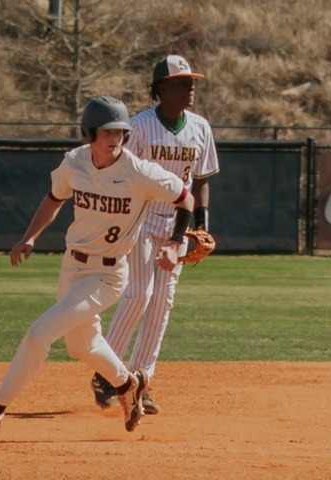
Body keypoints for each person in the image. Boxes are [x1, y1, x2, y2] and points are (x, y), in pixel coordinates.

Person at [0, 95, 194, 436]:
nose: (115, 138)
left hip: (107, 274)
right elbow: (54, 198)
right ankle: (128, 386)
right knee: (81, 345)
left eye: (120, 132)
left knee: (39, 334)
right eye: (107, 131)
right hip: (72, 265)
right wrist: (29, 237)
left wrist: (174, 241)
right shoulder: (75, 162)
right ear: (90, 133)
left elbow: (186, 198)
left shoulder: (140, 172)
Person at [90, 55, 220, 414]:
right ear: (162, 88)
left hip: (178, 222)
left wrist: (201, 224)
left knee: (162, 302)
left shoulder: (200, 127)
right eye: (182, 82)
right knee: (138, 295)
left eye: (191, 82)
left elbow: (201, 180)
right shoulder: (140, 126)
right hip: (141, 219)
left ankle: (141, 379)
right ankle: (106, 373)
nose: (190, 88)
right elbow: (118, 173)